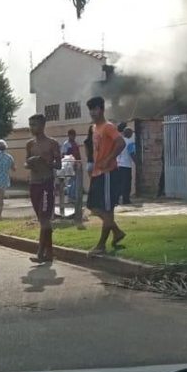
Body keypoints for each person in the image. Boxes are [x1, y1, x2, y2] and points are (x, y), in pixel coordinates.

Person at [86, 96, 126, 255]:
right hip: (97, 172)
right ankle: (116, 231)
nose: (92, 112)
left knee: (107, 209)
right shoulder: (94, 128)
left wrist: (109, 159)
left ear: (101, 109)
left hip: (108, 173)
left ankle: (101, 245)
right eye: (90, 109)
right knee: (92, 206)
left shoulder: (108, 126)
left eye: (95, 109)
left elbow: (121, 143)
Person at [26, 114, 61, 265]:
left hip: (46, 183)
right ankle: (50, 252)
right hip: (34, 184)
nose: (32, 128)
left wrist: (47, 161)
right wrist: (31, 161)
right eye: (30, 124)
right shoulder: (30, 144)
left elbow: (59, 165)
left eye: (34, 125)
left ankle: (40, 253)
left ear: (42, 125)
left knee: (45, 219)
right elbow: (26, 164)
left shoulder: (53, 143)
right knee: (43, 220)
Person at [116, 126, 136, 206]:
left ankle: (116, 199)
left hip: (118, 164)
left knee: (118, 183)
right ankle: (126, 199)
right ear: (130, 134)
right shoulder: (130, 142)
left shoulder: (119, 141)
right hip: (126, 165)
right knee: (126, 183)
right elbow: (132, 153)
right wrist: (136, 163)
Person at [61, 129, 82, 203]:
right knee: (69, 182)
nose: (73, 137)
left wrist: (79, 162)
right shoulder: (66, 144)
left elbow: (78, 155)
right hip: (69, 166)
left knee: (76, 182)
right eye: (72, 135)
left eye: (74, 135)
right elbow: (63, 155)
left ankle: (74, 196)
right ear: (69, 135)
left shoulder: (76, 143)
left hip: (76, 165)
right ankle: (70, 197)